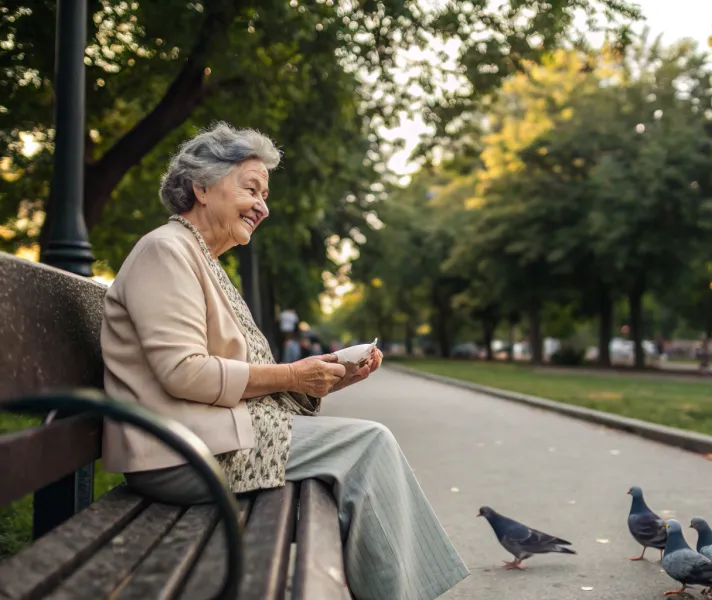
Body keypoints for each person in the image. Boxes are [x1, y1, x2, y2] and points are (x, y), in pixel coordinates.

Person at [99, 123, 468, 600]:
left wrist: (322, 381)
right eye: (251, 188)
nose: (262, 205)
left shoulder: (199, 258)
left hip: (211, 441)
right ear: (202, 187)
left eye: (264, 194)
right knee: (368, 444)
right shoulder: (166, 250)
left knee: (363, 447)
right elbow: (185, 372)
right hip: (183, 455)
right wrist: (295, 374)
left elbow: (229, 378)